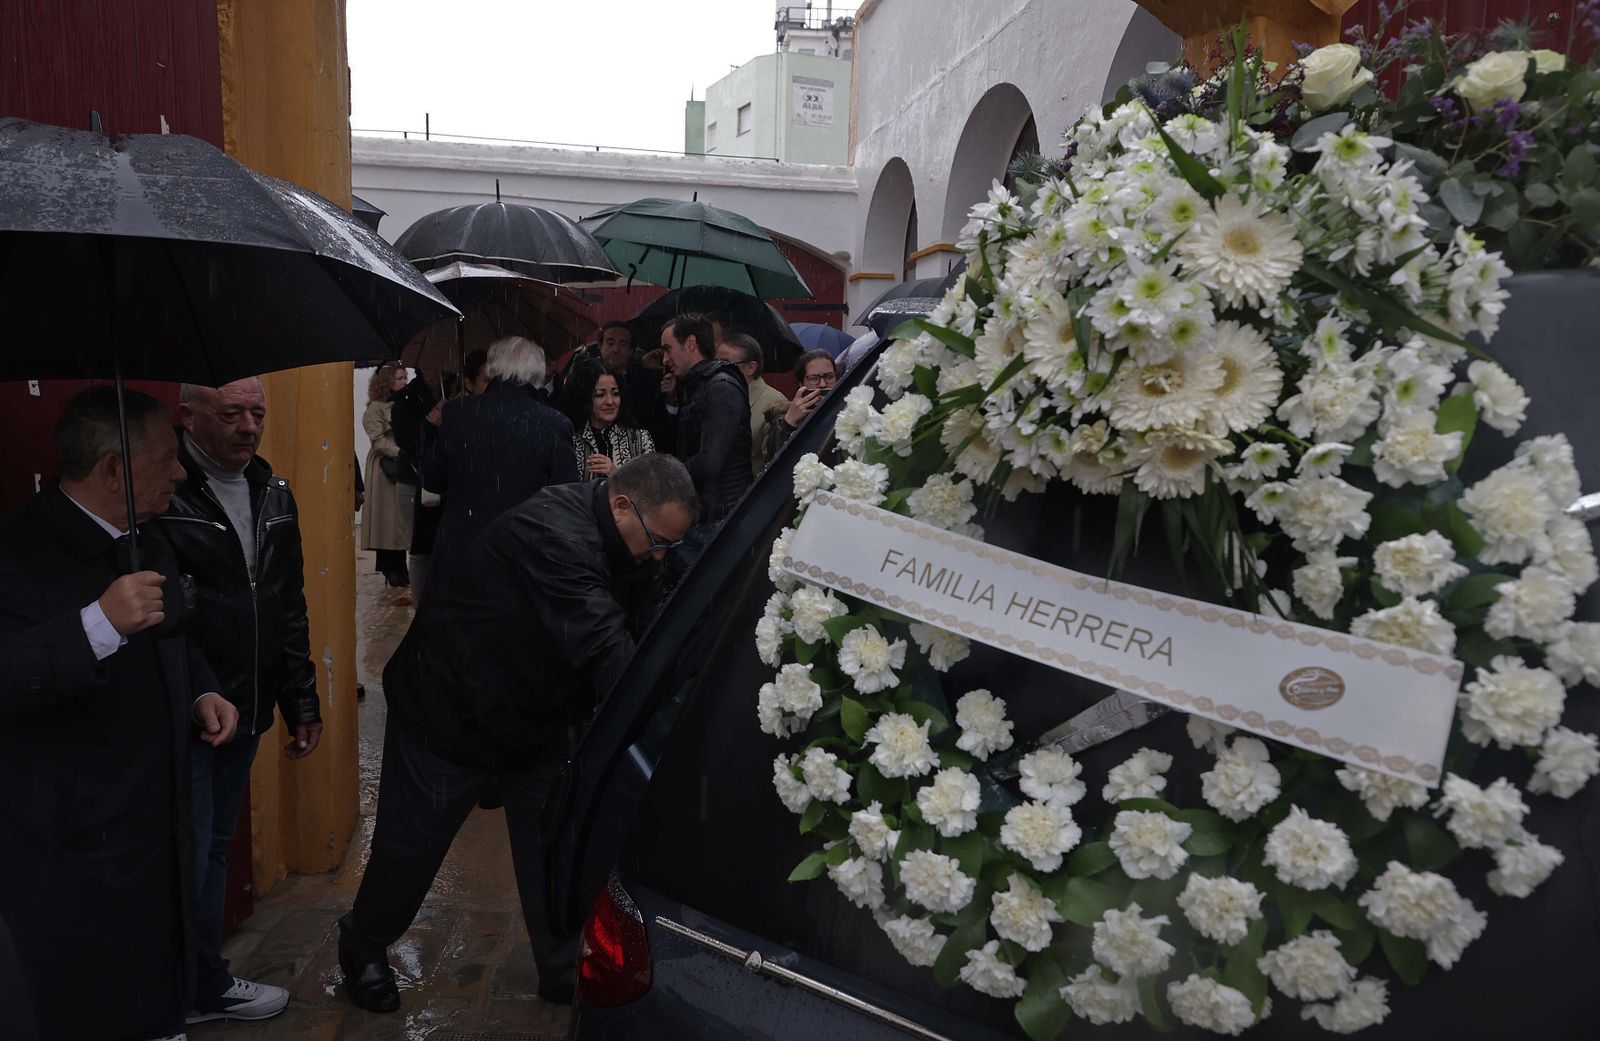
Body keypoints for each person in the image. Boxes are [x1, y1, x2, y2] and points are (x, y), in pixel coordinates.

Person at [336, 454, 698, 1012]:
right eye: (656, 540)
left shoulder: (635, 538)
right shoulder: (555, 532)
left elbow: (649, 620)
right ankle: (363, 943)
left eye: (669, 545)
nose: (659, 555)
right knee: (409, 851)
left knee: (552, 851)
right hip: (450, 714)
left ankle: (561, 969)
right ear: (621, 503)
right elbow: (611, 653)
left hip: (538, 722)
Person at [0, 387, 238, 1041]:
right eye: (166, 458)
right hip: (78, 847)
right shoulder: (18, 552)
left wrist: (201, 691)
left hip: (155, 827)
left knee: (158, 992)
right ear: (113, 470)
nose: (182, 471)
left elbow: (171, 636)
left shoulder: (147, 536)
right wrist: (96, 623)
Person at [162, 379, 324, 1027]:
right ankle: (193, 984)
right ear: (189, 417)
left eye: (257, 413)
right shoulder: (164, 495)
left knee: (214, 842)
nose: (248, 427)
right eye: (230, 414)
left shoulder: (273, 493)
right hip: (187, 710)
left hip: (249, 704)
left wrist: (301, 699)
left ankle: (201, 979)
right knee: (190, 846)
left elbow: (287, 605)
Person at [421, 337, 580, 588]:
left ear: (494, 368)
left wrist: (432, 431)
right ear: (535, 373)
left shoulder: (459, 413)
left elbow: (432, 479)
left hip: (462, 556)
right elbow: (566, 498)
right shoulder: (554, 423)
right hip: (525, 558)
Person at [659, 312, 751, 569]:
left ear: (690, 343)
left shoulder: (720, 387)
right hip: (702, 517)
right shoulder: (696, 386)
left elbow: (710, 462)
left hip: (720, 520)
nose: (665, 359)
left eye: (668, 349)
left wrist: (663, 475)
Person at [391, 367, 453, 603]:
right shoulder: (407, 397)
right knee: (420, 543)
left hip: (449, 482)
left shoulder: (456, 389)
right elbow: (404, 439)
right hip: (413, 479)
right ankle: (421, 605)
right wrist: (429, 422)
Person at [361, 363, 414, 592]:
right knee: (387, 520)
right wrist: (402, 451)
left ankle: (400, 567)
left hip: (401, 466)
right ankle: (389, 568)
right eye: (399, 378)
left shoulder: (406, 404)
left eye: (405, 378)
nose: (404, 382)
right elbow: (378, 439)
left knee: (399, 522)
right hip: (385, 469)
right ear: (387, 381)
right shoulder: (376, 408)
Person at [560, 357, 656, 481]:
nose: (610, 402)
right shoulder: (569, 440)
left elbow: (653, 492)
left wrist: (615, 474)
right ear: (584, 398)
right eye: (600, 395)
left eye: (615, 393)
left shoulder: (640, 439)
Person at [715, 333, 789, 475]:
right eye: (715, 362)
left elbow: (773, 462)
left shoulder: (774, 402)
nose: (717, 369)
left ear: (750, 368)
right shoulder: (718, 395)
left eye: (724, 363)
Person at [763, 348, 839, 462]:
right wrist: (788, 422)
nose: (823, 384)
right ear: (800, 383)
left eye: (829, 377)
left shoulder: (846, 412)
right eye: (814, 378)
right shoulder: (784, 416)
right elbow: (773, 461)